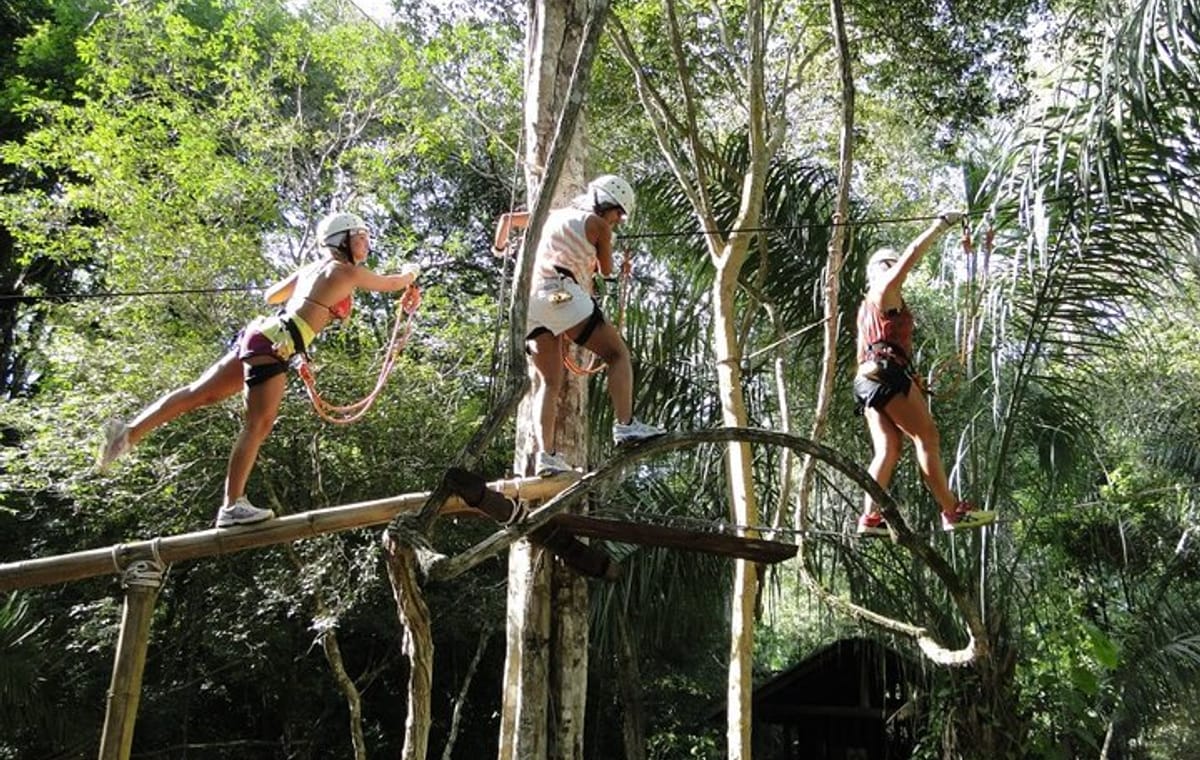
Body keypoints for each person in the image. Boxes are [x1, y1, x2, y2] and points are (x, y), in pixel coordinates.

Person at [97, 212, 420, 528]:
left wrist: (307, 294)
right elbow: (393, 283)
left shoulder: (314, 268)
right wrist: (411, 271)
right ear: (343, 241)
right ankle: (231, 506)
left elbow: (271, 295)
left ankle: (129, 433)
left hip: (263, 334)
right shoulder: (346, 272)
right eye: (361, 236)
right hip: (275, 343)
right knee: (259, 423)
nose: (366, 243)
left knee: (202, 393)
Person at [492, 175, 666, 476]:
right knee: (617, 355)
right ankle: (625, 426)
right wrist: (616, 265)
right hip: (559, 293)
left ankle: (546, 457)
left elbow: (507, 219)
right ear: (605, 203)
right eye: (617, 213)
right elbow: (606, 271)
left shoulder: (552, 214)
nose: (618, 220)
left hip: (530, 302)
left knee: (549, 382)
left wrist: (500, 250)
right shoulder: (599, 226)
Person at [853, 211, 995, 536]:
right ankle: (951, 511)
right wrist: (940, 225)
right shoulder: (884, 289)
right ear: (877, 271)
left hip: (869, 378)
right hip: (885, 374)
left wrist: (907, 377)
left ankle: (869, 518)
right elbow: (911, 256)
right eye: (887, 265)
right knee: (927, 437)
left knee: (888, 448)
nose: (893, 269)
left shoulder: (869, 308)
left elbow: (873, 348)